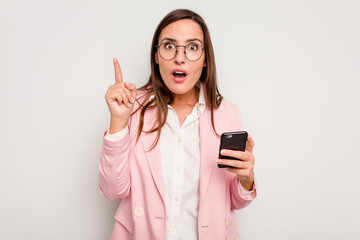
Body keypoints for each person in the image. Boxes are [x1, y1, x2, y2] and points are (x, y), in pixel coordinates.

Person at [99, 9, 257, 240]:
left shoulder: (227, 113)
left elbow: (233, 202)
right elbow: (113, 191)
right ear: (156, 55)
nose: (179, 57)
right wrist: (118, 121)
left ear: (205, 59)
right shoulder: (132, 106)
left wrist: (246, 178)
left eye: (192, 47)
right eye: (169, 46)